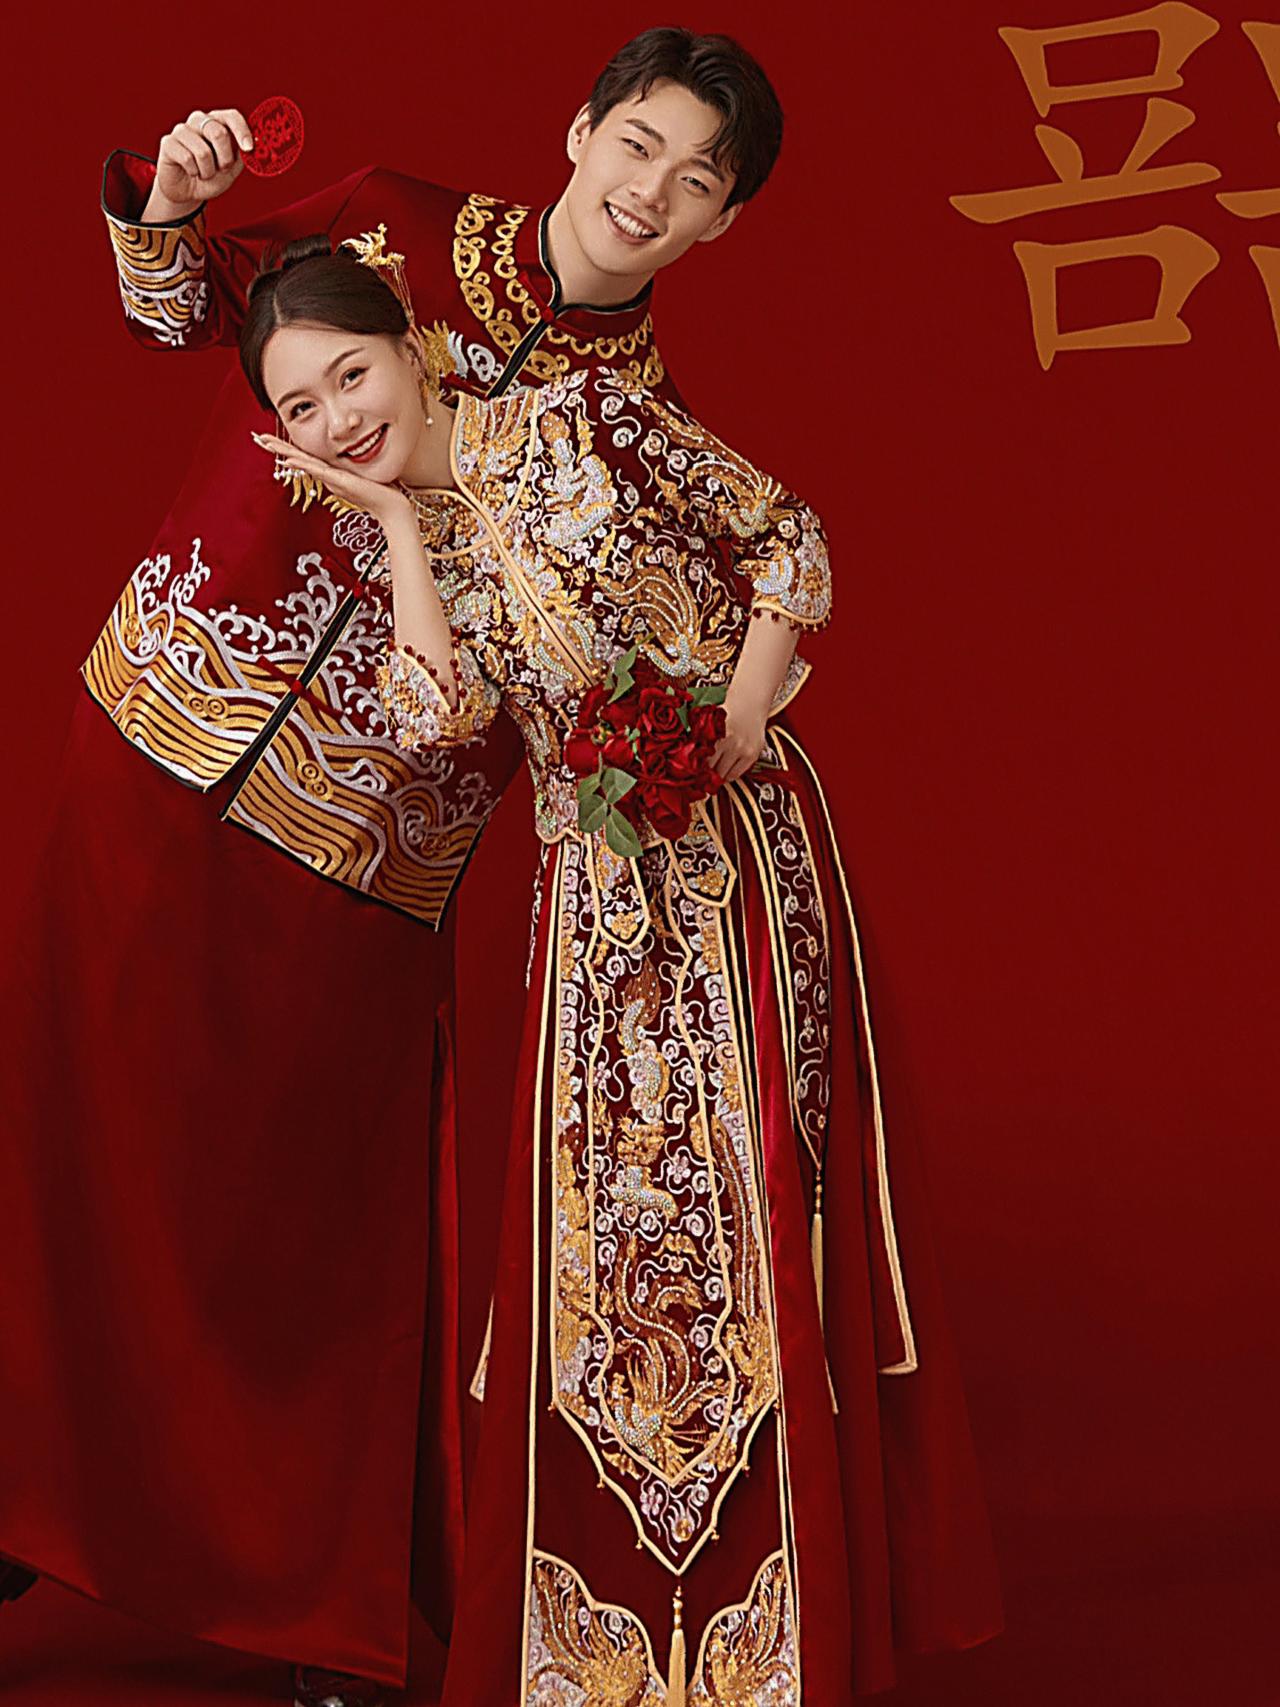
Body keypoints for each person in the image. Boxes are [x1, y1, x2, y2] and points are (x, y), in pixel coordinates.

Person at [0, 30, 809, 1707]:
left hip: (375, 838)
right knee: (67, 1127)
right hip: (160, 722)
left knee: (314, 1217)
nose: (649, 192)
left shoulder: (641, 429)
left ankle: (311, 1601)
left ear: (723, 223)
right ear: (581, 130)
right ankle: (22, 1491)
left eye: (696, 181)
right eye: (638, 143)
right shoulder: (391, 225)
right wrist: (170, 201)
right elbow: (181, 309)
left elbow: (705, 615)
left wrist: (713, 728)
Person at [235, 225, 1004, 1703]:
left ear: (409, 342)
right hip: (590, 906)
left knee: (759, 1212)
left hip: (741, 863)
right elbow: (436, 721)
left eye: (350, 374)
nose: (338, 420)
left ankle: (782, 1645)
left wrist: (743, 714)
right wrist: (399, 527)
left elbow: (789, 540)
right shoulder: (402, 539)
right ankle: (610, 1656)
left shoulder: (583, 414)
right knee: (617, 1245)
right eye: (301, 409)